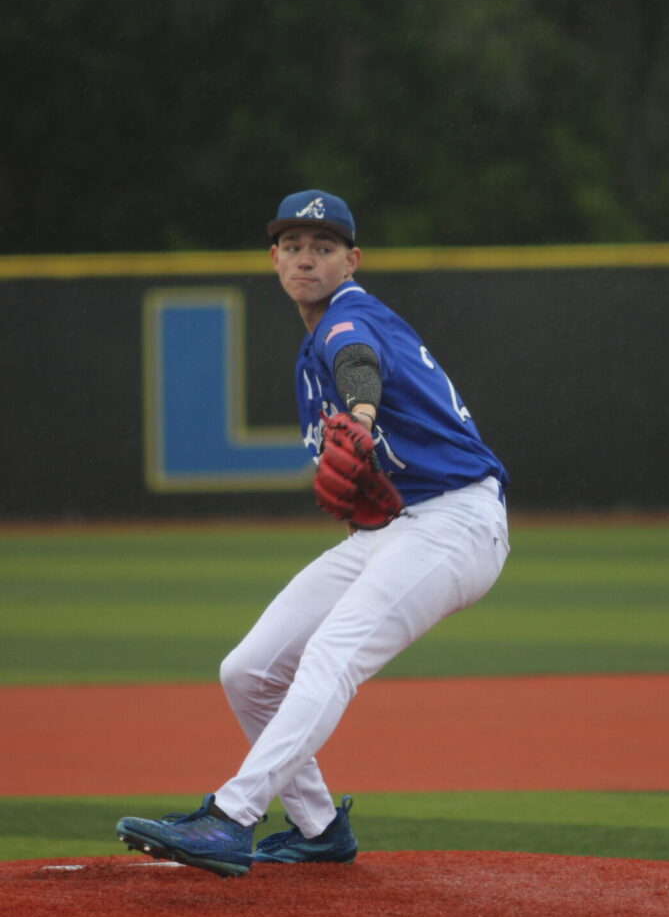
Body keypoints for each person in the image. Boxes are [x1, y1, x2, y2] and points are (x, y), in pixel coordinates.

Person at [116, 189, 510, 878]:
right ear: (273, 259)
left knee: (331, 652)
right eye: (293, 246)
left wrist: (357, 414)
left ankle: (230, 818)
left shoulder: (347, 316)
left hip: (456, 522)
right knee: (247, 671)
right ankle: (318, 826)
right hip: (396, 529)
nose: (306, 258)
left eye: (322, 248)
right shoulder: (309, 352)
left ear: (350, 260)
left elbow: (358, 360)